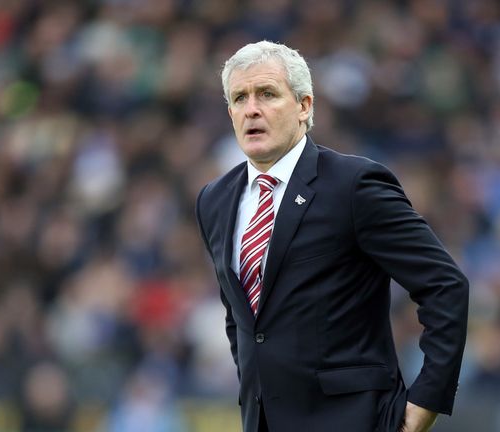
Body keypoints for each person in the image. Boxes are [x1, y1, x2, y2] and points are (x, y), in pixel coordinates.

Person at [195, 40, 469, 432]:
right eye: (240, 98)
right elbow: (241, 316)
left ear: (305, 106)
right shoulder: (214, 200)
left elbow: (446, 285)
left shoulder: (354, 184)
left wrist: (426, 401)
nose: (251, 108)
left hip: (355, 419)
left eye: (267, 94)